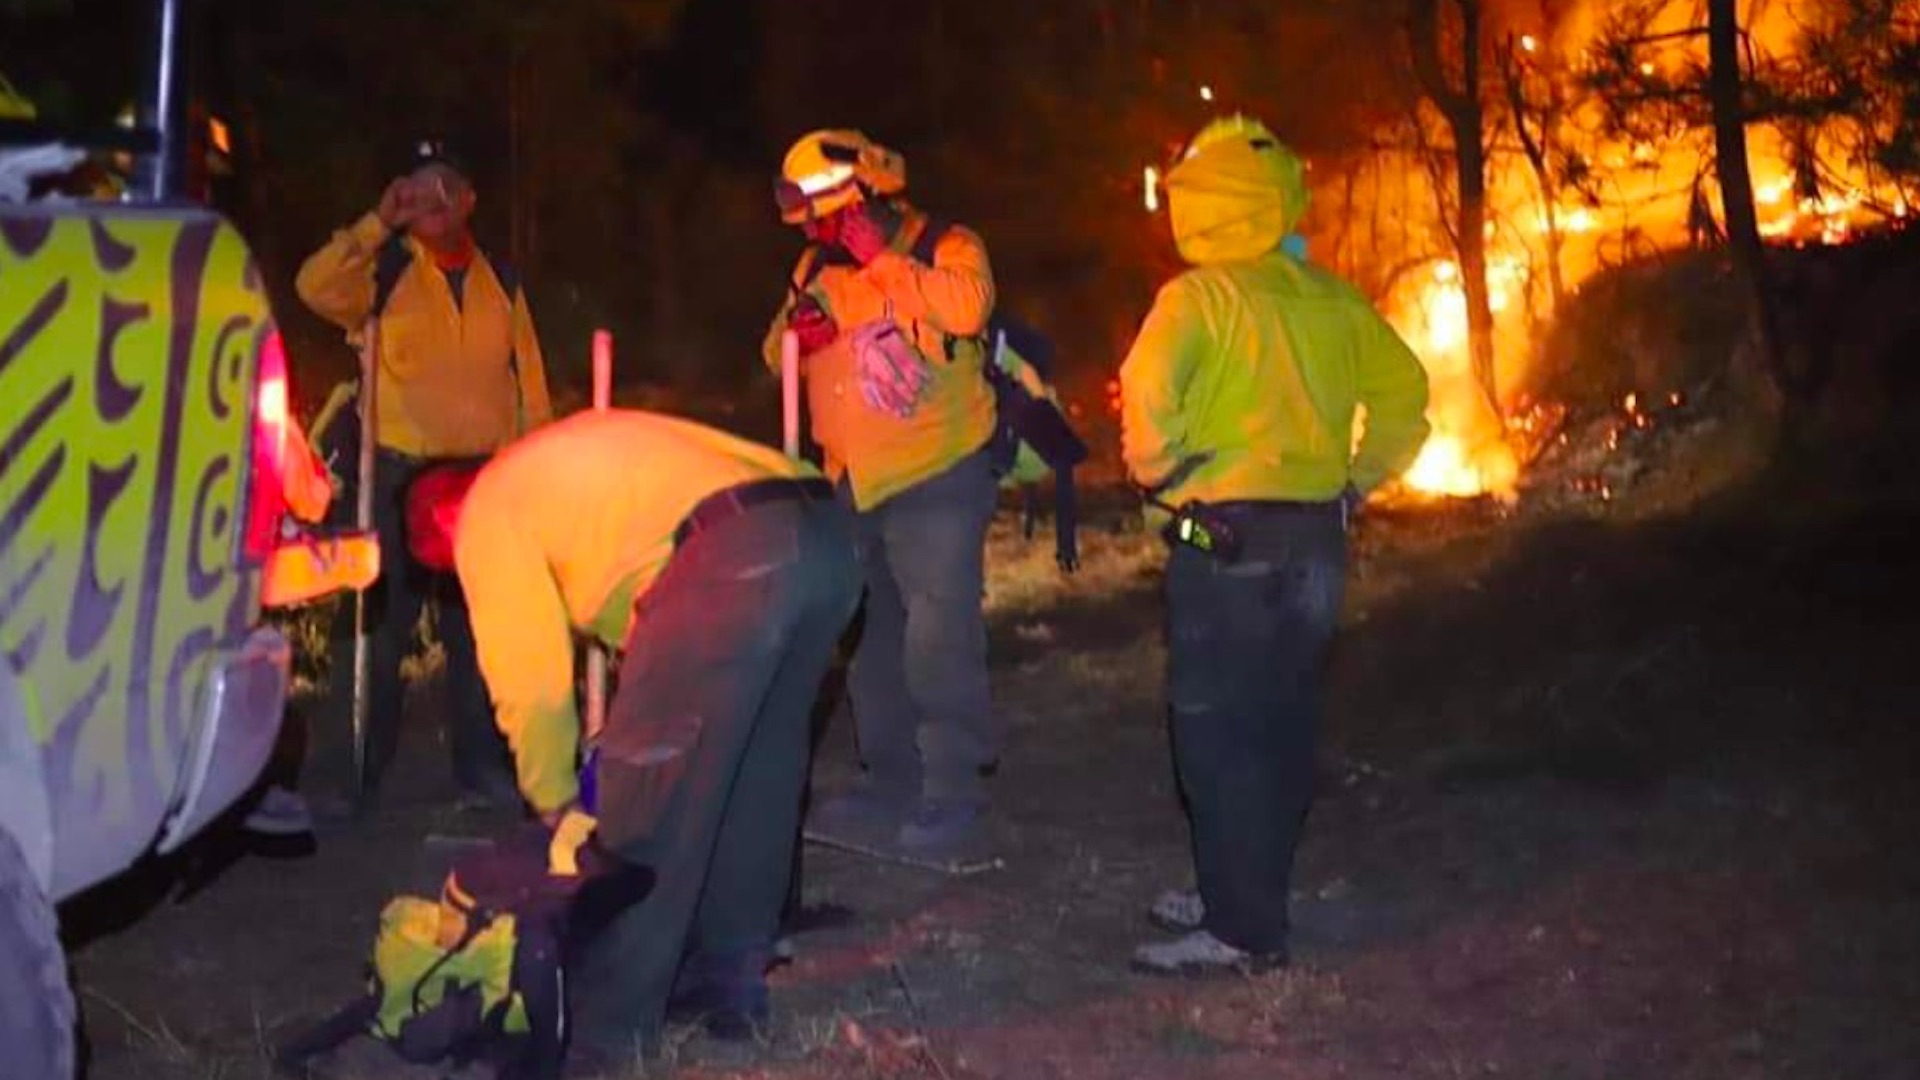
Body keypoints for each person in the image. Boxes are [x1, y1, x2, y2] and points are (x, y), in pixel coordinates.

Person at [406, 409, 863, 1052]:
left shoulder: (486, 509)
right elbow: (655, 624)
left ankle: (605, 1027)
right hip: (825, 538)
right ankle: (728, 978)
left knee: (647, 798)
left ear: (439, 520)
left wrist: (554, 798)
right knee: (756, 772)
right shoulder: (571, 473)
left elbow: (527, 675)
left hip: (735, 548)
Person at [1118, 116, 1431, 976]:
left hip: (1224, 542)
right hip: (1316, 539)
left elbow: (1145, 406)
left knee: (1216, 730)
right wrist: (1357, 480)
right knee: (1285, 720)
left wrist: (1163, 472)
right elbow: (1408, 395)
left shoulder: (1197, 300)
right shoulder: (1330, 298)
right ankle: (1242, 888)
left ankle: (1241, 928)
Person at [762, 129, 1001, 856]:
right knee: (868, 642)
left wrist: (881, 261)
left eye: (825, 215)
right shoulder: (816, 265)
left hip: (938, 475)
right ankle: (888, 780)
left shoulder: (946, 245)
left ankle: (951, 789)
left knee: (939, 637)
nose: (815, 230)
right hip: (851, 482)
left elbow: (965, 311)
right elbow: (776, 356)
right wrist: (801, 332)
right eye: (809, 220)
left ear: (863, 196)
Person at [294, 137, 552, 807]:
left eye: (442, 186)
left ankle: (483, 771)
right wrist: (378, 222)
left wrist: (537, 468)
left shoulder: (503, 280)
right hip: (398, 478)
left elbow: (529, 381)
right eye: (416, 186)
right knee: (374, 633)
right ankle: (350, 773)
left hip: (483, 482)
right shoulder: (379, 275)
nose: (428, 200)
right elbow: (311, 286)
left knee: (481, 633)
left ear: (468, 199)